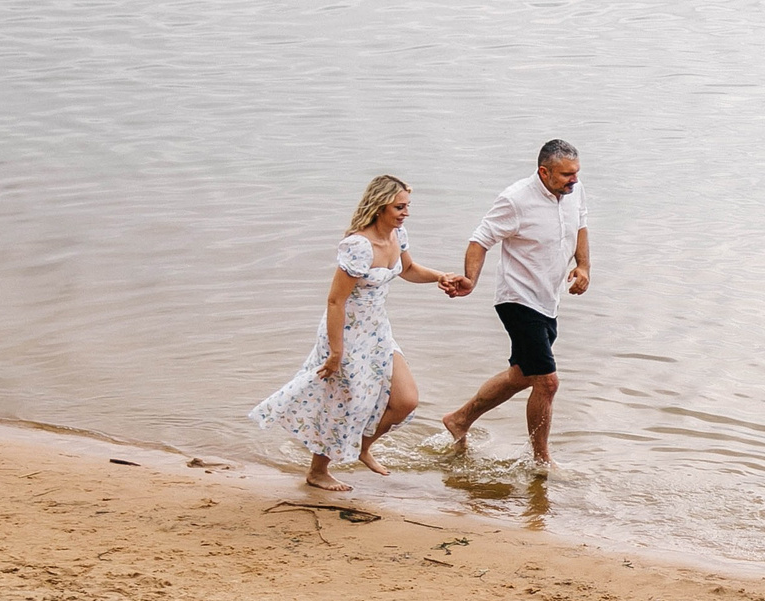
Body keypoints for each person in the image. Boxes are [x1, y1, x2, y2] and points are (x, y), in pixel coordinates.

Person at [251, 175, 458, 491]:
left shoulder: (398, 235)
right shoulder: (358, 247)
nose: (406, 213)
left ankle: (363, 447)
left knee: (405, 400)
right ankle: (318, 471)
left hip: (377, 332)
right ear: (380, 207)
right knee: (343, 403)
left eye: (407, 207)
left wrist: (440, 276)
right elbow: (336, 300)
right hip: (345, 334)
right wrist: (336, 352)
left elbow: (409, 270)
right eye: (399, 207)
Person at [438, 140, 590, 466]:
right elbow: (480, 240)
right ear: (543, 172)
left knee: (522, 375)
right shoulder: (516, 199)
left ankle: (460, 419)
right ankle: (541, 461)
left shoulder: (574, 191)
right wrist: (471, 280)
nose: (573, 180)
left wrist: (583, 266)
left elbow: (580, 226)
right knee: (547, 382)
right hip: (518, 299)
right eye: (566, 175)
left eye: (576, 173)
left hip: (549, 299)